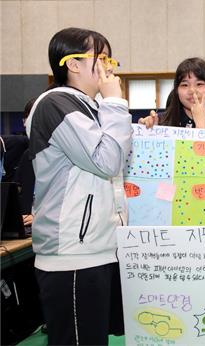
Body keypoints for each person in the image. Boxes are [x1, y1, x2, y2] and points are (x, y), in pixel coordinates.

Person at [25, 27, 131, 345]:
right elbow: (106, 160)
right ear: (72, 64)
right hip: (72, 254)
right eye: (101, 58)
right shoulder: (55, 104)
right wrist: (115, 103)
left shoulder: (90, 108)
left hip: (97, 250)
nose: (108, 69)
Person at [138, 57, 205, 129]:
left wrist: (202, 126)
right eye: (185, 85)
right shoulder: (160, 123)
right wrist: (148, 131)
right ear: (176, 90)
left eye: (199, 84)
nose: (192, 91)